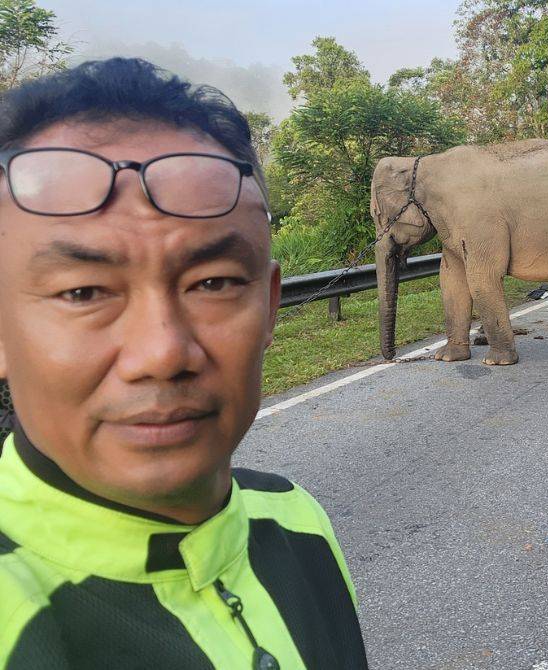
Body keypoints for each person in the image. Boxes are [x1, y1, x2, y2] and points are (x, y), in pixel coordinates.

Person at [0, 59, 369, 668]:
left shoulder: (294, 519)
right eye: (83, 292)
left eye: (215, 282)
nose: (163, 353)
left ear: (271, 306)